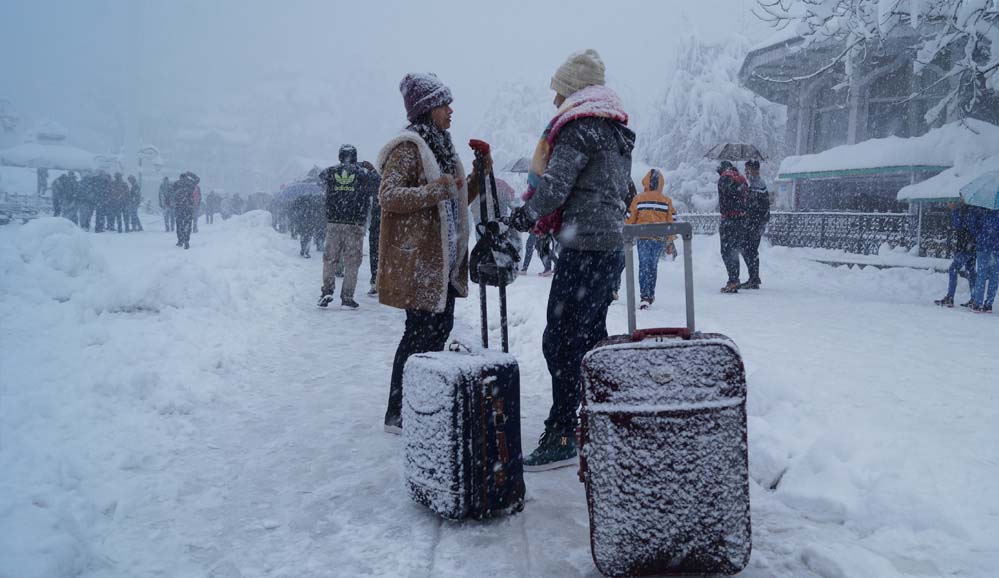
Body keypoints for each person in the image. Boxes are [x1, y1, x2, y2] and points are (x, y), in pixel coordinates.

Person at [506, 49, 634, 470]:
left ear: (575, 89)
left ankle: (563, 431)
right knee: (589, 338)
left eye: (559, 92)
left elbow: (556, 186)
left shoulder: (581, 128)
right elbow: (624, 191)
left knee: (560, 340)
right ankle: (596, 422)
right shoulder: (615, 132)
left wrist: (524, 216)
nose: (555, 101)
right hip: (608, 246)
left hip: (584, 250)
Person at [377, 72, 487, 434]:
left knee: (438, 333)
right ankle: (398, 411)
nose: (451, 111)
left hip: (446, 264)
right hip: (421, 261)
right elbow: (388, 196)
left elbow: (454, 199)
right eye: (444, 104)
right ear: (427, 109)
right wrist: (432, 191)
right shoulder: (408, 148)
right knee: (418, 337)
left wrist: (478, 173)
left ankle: (425, 403)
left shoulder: (442, 146)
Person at [317, 144, 377, 309]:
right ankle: (347, 297)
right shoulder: (363, 174)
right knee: (352, 262)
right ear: (355, 157)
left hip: (334, 222)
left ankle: (326, 291)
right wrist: (370, 169)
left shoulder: (330, 171)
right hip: (355, 224)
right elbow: (378, 183)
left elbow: (320, 178)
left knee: (330, 259)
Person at [624, 168, 677, 309]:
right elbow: (672, 221)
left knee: (644, 266)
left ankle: (644, 296)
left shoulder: (639, 199)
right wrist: (670, 241)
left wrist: (627, 231)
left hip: (643, 238)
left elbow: (630, 219)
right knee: (653, 267)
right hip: (658, 240)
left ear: (646, 182)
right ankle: (650, 294)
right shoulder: (666, 201)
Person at [935, 200, 977, 307]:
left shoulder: (965, 210)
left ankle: (950, 297)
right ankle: (975, 298)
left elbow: (958, 225)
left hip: (965, 245)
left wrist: (954, 210)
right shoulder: (975, 209)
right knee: (971, 271)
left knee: (953, 269)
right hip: (971, 245)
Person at [716, 160, 749, 293]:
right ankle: (735, 279)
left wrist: (726, 210)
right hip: (741, 219)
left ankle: (733, 280)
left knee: (726, 251)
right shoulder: (741, 178)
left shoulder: (725, 178)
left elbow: (726, 197)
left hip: (729, 219)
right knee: (734, 250)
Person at [741, 159, 770, 289]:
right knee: (749, 250)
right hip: (755, 223)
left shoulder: (758, 185)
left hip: (755, 223)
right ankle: (754, 277)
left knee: (750, 250)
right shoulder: (753, 183)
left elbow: (756, 206)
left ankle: (754, 278)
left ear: (754, 170)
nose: (746, 172)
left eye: (747, 169)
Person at [969, 206, 999, 313]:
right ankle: (989, 304)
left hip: (983, 245)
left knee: (981, 274)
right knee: (994, 276)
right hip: (996, 247)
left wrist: (979, 235)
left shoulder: (980, 209)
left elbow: (972, 225)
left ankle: (977, 303)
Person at [360, 160, 382, 295]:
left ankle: (375, 281)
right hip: (385, 221)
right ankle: (379, 281)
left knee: (375, 253)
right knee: (382, 253)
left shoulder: (374, 178)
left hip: (377, 221)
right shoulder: (390, 178)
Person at [291, 193, 324, 258]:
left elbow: (295, 208)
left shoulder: (301, 201)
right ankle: (306, 251)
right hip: (310, 222)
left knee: (303, 236)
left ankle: (303, 249)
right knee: (308, 236)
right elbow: (318, 212)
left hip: (303, 222)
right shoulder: (314, 202)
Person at [172, 172, 199, 250]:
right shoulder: (190, 183)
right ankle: (186, 240)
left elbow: (172, 194)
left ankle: (180, 240)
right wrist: (190, 174)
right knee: (187, 224)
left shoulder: (177, 183)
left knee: (179, 224)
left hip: (179, 207)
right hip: (188, 208)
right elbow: (197, 179)